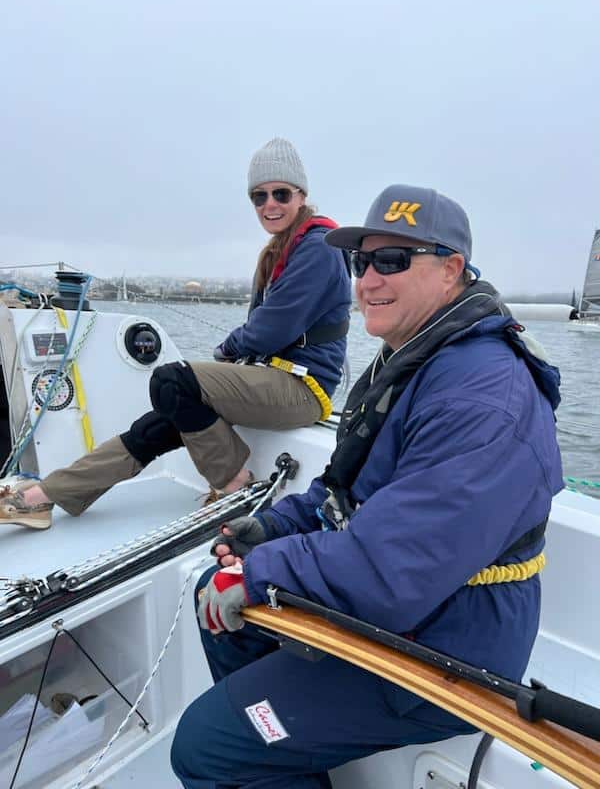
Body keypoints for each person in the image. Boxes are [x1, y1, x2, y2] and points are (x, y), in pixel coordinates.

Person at [170, 184, 563, 789]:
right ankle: (276, 741)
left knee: (204, 745)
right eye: (362, 262)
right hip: (409, 610)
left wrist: (261, 569)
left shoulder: (484, 397)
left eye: (392, 261)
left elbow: (393, 570)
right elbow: (347, 488)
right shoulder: (416, 359)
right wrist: (275, 526)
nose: (368, 281)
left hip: (449, 650)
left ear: (451, 270)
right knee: (214, 598)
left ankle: (258, 734)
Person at [0, 138, 351, 530]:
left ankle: (235, 483)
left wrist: (226, 348)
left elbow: (271, 329)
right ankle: (44, 496)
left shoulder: (318, 248)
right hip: (271, 378)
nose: (269, 204)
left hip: (301, 388)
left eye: (281, 193)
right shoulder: (283, 247)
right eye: (259, 196)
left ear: (301, 194)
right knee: (156, 427)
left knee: (172, 381)